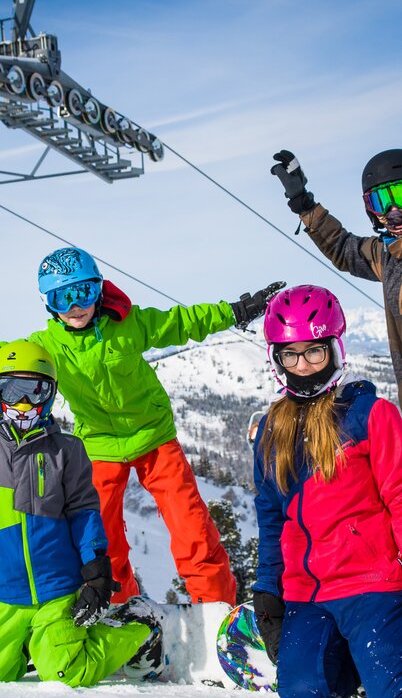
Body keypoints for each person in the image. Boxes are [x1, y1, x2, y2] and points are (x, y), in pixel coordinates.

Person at [28, 245, 285, 604]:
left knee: (191, 525)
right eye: (62, 298)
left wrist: (235, 311)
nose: (75, 307)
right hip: (98, 447)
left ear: (99, 289)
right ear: (48, 304)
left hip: (153, 437)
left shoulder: (128, 324)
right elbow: (14, 365)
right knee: (100, 538)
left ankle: (214, 609)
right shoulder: (45, 347)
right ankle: (121, 609)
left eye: (83, 292)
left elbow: (181, 323)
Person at [252, 284, 402, 698]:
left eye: (314, 352)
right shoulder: (270, 431)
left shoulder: (370, 414)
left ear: (334, 349)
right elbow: (270, 518)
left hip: (371, 582)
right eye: (290, 355)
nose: (303, 366)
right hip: (308, 590)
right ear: (276, 358)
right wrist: (268, 590)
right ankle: (360, 660)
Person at [0, 339, 159, 687]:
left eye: (36, 391)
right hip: (4, 593)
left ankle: (139, 631)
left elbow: (84, 512)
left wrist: (96, 569)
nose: (24, 403)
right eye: (12, 390)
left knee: (65, 674)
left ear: (51, 394)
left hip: (55, 589)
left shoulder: (65, 450)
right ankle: (32, 645)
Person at [270, 148, 402, 406]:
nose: (393, 211)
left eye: (399, 194)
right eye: (380, 201)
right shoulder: (388, 256)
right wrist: (304, 204)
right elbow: (343, 248)